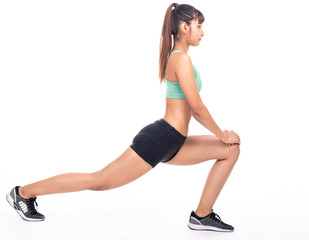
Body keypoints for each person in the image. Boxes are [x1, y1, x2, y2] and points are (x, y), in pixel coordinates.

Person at [6, 3, 241, 232]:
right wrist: (222, 134)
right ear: (184, 27)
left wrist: (224, 140)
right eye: (199, 26)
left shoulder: (180, 57)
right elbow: (197, 107)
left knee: (230, 150)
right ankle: (23, 193)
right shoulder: (180, 58)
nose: (203, 32)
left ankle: (202, 215)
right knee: (99, 181)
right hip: (161, 138)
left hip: (174, 141)